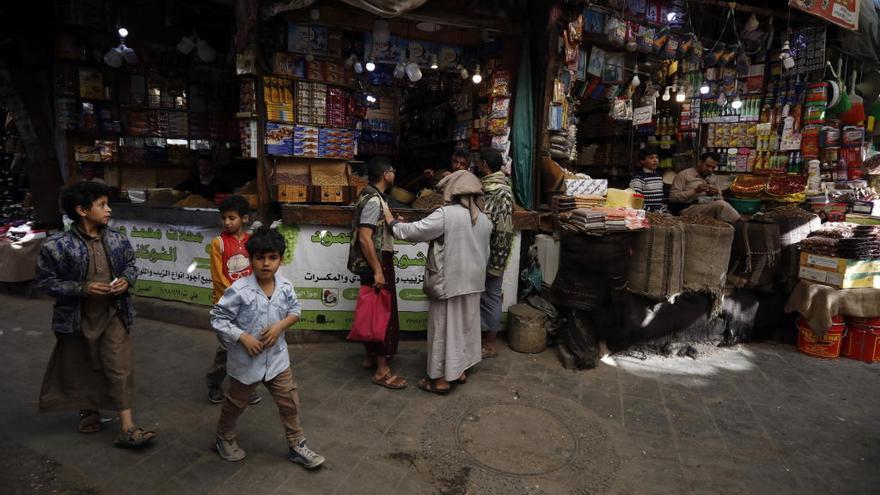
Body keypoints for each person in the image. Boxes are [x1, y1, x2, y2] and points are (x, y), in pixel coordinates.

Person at [36, 181, 156, 448]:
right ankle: (88, 409)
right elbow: (45, 283)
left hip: (114, 313)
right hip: (77, 317)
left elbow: (131, 265)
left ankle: (127, 426)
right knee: (82, 364)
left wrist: (126, 279)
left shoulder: (117, 238)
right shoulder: (57, 246)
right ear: (81, 210)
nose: (108, 210)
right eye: (102, 205)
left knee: (119, 366)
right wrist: (83, 288)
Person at [211, 227, 325, 468]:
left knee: (289, 402)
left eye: (272, 258)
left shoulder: (285, 287)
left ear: (280, 260)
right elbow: (218, 318)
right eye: (260, 258)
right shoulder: (239, 290)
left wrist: (279, 327)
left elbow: (296, 311)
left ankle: (297, 445)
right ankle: (224, 437)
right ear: (250, 259)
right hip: (246, 362)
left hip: (277, 361)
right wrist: (243, 337)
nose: (266, 264)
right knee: (235, 403)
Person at [384, 170, 492, 394]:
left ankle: (441, 379)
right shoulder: (484, 219)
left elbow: (415, 231)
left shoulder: (446, 214)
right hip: (472, 282)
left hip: (449, 282)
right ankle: (459, 371)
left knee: (444, 330)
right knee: (465, 329)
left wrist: (393, 224)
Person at [347, 156, 407, 390]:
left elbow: (372, 228)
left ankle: (370, 356)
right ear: (386, 174)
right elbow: (365, 237)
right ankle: (383, 370)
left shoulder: (369, 195)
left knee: (372, 309)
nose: (394, 173)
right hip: (377, 261)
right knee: (383, 313)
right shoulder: (373, 200)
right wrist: (378, 271)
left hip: (373, 261)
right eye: (392, 169)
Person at [205, 195, 262, 406]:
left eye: (232, 218)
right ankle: (214, 382)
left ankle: (244, 387)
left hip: (249, 304)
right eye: (224, 218)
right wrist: (237, 297)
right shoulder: (218, 243)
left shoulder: (251, 242)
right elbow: (218, 277)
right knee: (227, 348)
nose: (227, 222)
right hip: (226, 305)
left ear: (244, 218)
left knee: (247, 347)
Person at [476, 149, 514, 359]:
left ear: (484, 164)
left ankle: (490, 345)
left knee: (491, 296)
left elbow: (504, 230)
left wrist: (497, 263)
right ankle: (479, 340)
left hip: (491, 254)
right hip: (478, 252)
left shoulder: (502, 192)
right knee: (479, 296)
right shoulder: (483, 187)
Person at [669, 152, 741, 223]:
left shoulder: (713, 177)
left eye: (713, 168)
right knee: (721, 205)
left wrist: (716, 193)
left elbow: (720, 198)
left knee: (721, 207)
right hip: (688, 208)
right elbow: (673, 198)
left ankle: (736, 226)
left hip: (706, 205)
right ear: (700, 162)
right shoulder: (684, 175)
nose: (710, 170)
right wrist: (695, 191)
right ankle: (740, 222)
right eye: (708, 166)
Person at [629, 148, 667, 212]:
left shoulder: (658, 177)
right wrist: (651, 211)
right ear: (642, 161)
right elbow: (635, 201)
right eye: (651, 158)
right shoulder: (638, 179)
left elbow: (660, 200)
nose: (655, 160)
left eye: (657, 158)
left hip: (658, 214)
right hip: (645, 213)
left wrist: (662, 210)